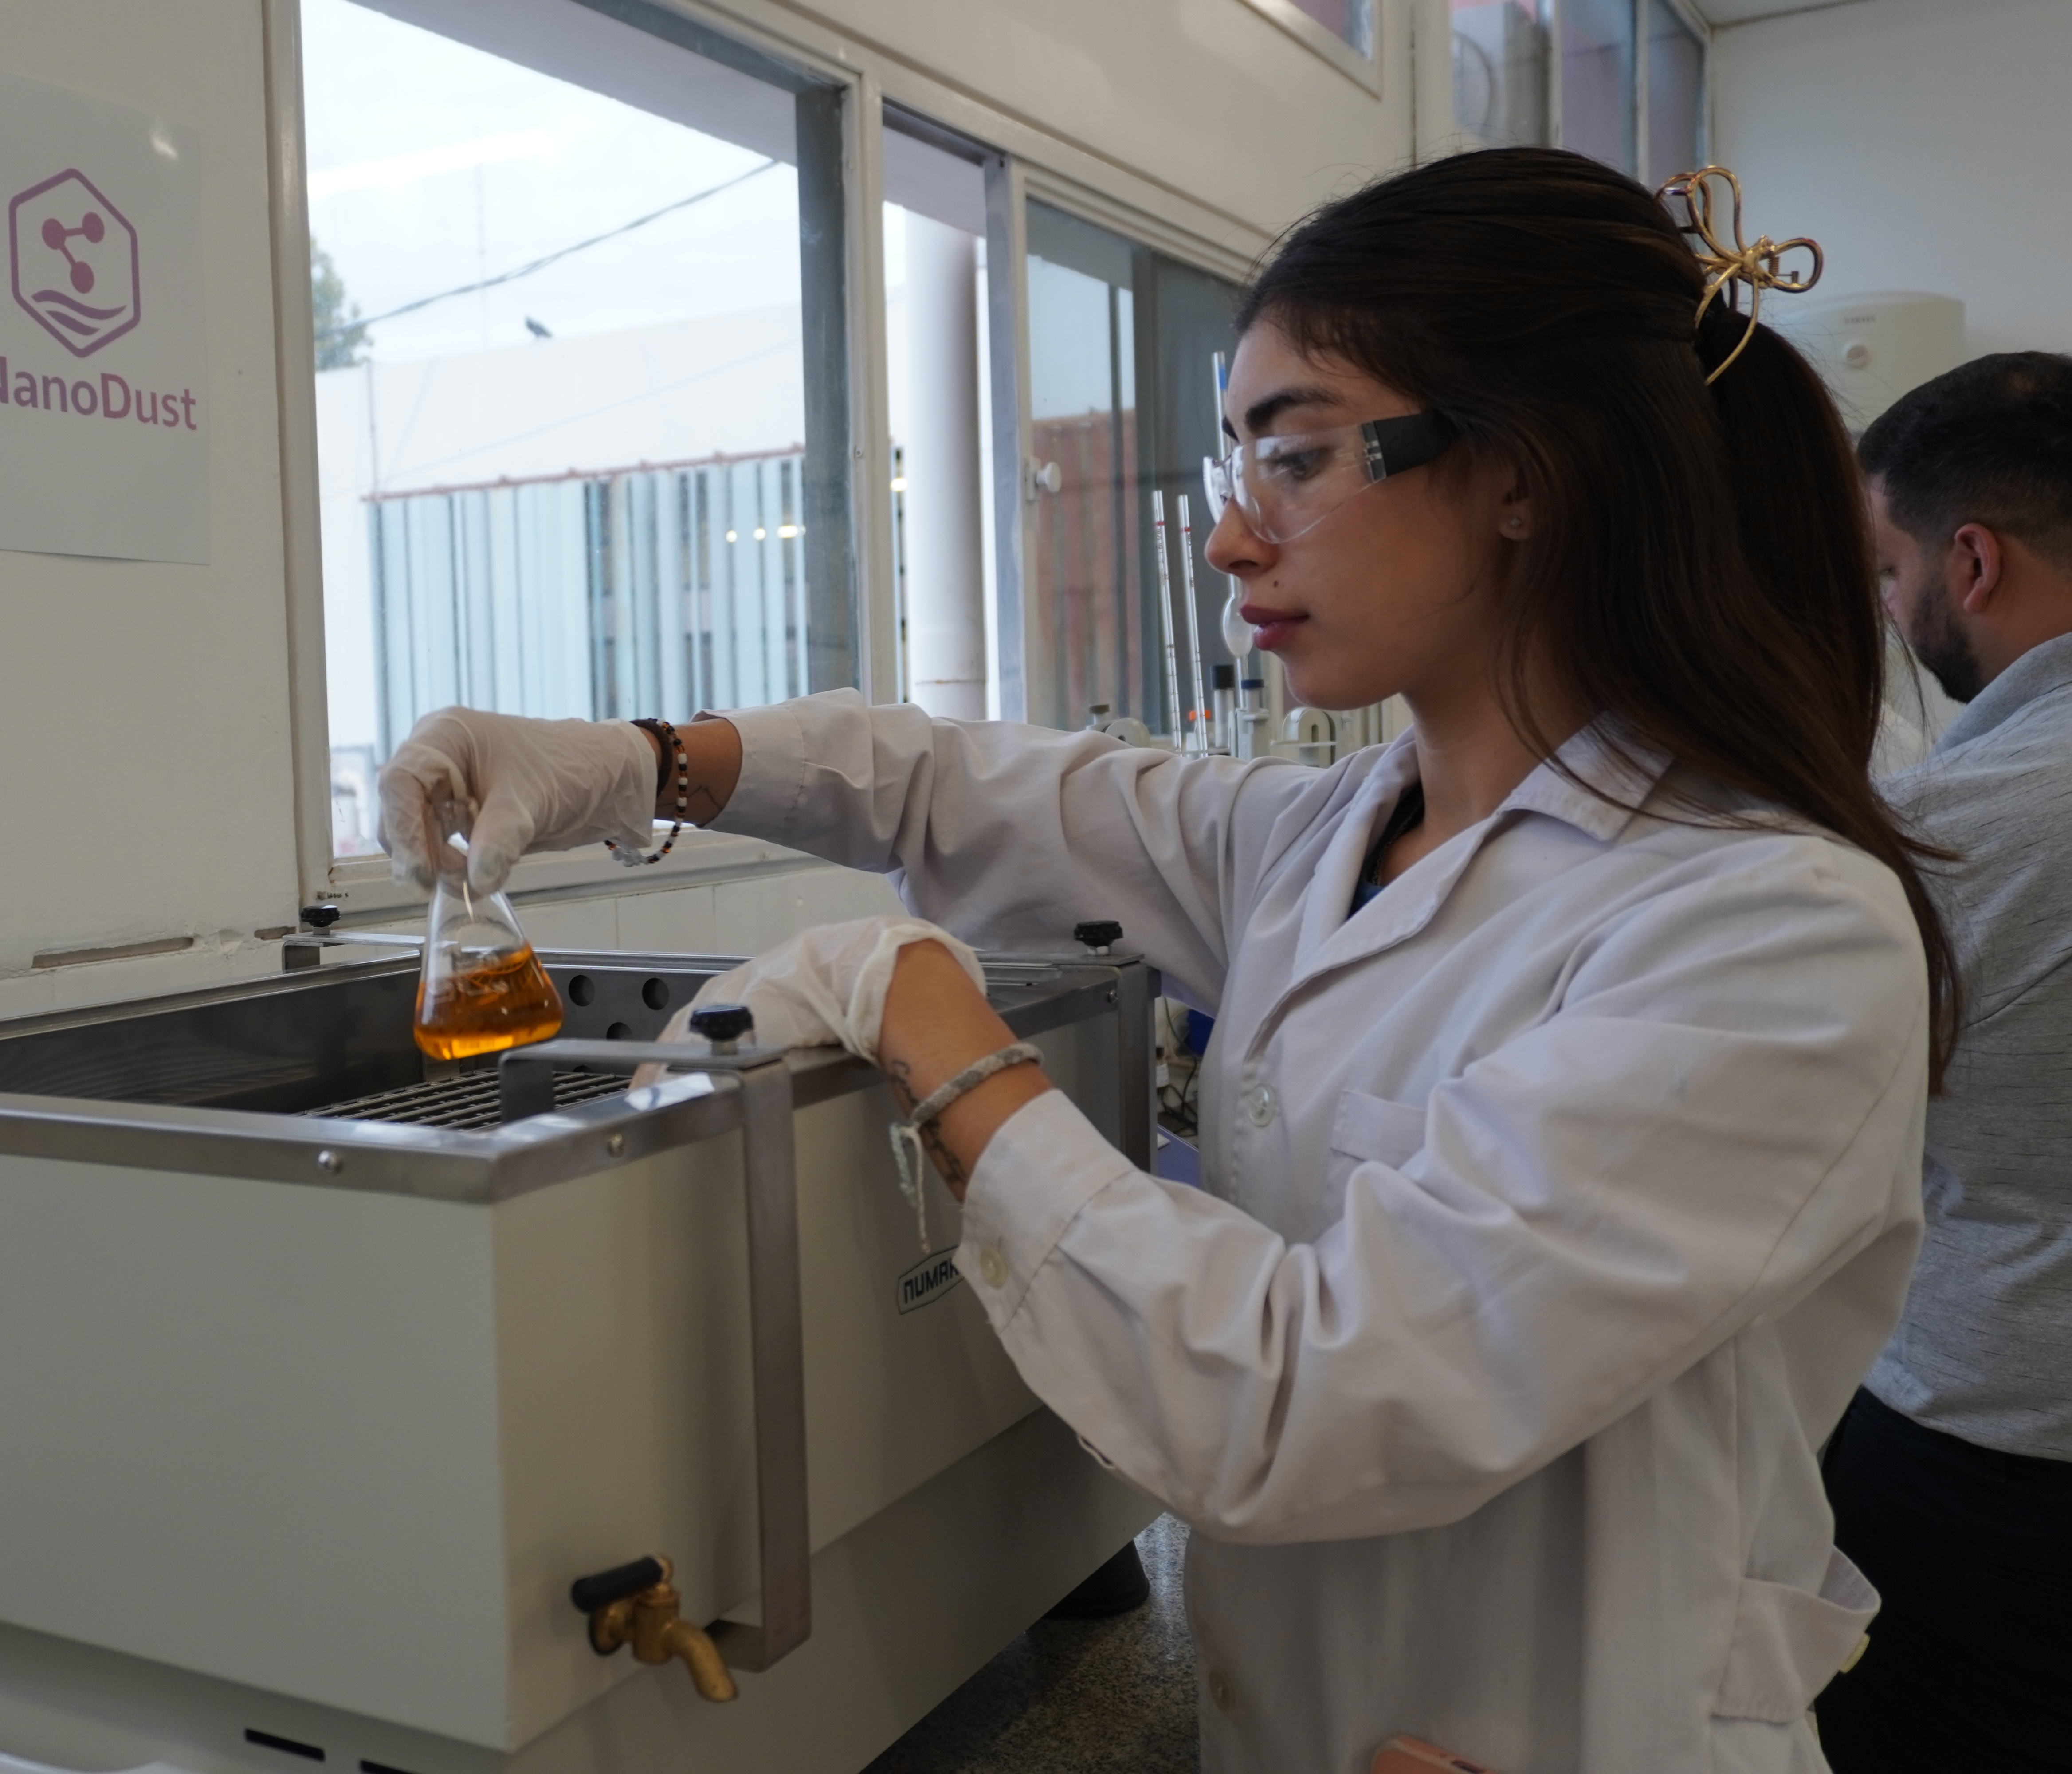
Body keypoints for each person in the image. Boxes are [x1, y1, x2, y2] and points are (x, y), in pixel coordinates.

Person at [380, 149, 1954, 1774]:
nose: (1230, 540)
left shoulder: (1763, 926)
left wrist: (939, 1036)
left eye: (1297, 458)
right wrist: (633, 762)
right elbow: (942, 780)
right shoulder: (1332, 831)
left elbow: (1303, 1396)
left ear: (1526, 473)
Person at [1811, 354, 2072, 1774]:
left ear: (1971, 560)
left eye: (1889, 567)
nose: (1887, 610)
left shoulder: (1947, 833)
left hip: (1997, 1465)